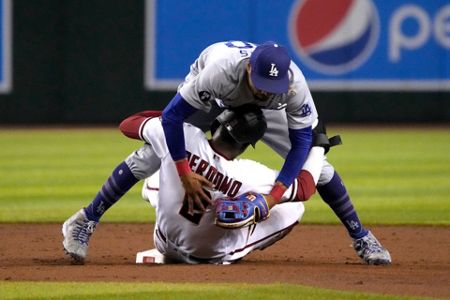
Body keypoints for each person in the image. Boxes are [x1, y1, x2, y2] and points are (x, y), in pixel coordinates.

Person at [63, 40, 391, 265]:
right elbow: (173, 117)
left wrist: (274, 196)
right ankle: (86, 219)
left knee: (319, 169)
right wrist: (183, 171)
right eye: (261, 81)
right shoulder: (220, 71)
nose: (265, 90)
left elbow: (304, 141)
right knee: (153, 152)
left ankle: (362, 237)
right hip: (217, 98)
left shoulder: (292, 86)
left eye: (272, 86)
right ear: (249, 68)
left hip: (264, 112)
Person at [62, 105, 324, 264]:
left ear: (217, 123)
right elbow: (305, 188)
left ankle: (91, 216)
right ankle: (243, 225)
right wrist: (318, 147)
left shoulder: (184, 136)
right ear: (246, 145)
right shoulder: (252, 174)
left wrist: (172, 120)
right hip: (208, 256)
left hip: (163, 239)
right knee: (293, 208)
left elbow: (128, 125)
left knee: (158, 152)